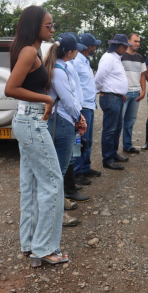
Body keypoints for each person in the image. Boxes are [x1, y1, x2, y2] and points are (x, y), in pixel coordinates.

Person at [5, 5, 68, 267]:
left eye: (53, 25)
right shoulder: (29, 51)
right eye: (49, 25)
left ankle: (30, 243)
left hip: (25, 120)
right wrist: (46, 99)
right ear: (35, 26)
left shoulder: (30, 50)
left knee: (31, 185)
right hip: (31, 120)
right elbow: (11, 88)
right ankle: (45, 248)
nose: (53, 29)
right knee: (53, 183)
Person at [44, 33, 88, 225]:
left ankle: (59, 203)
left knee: (58, 169)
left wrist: (79, 117)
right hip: (62, 122)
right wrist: (79, 119)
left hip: (64, 120)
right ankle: (56, 215)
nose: (77, 51)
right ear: (69, 52)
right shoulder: (59, 72)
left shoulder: (59, 67)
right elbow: (68, 101)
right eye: (75, 49)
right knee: (58, 171)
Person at [95, 34, 129, 170]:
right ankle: (107, 159)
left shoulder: (116, 58)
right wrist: (101, 91)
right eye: (125, 46)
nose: (126, 49)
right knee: (110, 130)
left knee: (117, 128)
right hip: (110, 97)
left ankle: (113, 154)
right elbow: (98, 78)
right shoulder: (108, 58)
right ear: (118, 46)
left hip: (117, 97)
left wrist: (120, 92)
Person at [74, 33, 102, 184]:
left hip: (89, 105)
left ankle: (85, 167)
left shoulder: (85, 61)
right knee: (80, 141)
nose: (95, 48)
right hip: (82, 107)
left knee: (88, 140)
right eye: (93, 46)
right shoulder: (77, 62)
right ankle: (77, 172)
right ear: (87, 47)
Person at [121, 33, 146, 154]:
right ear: (128, 41)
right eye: (135, 41)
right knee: (118, 121)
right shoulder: (120, 56)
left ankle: (127, 145)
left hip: (136, 93)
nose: (137, 44)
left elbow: (142, 75)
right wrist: (120, 92)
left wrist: (143, 90)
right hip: (124, 94)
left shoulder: (140, 58)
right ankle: (112, 151)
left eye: (139, 42)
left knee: (130, 121)